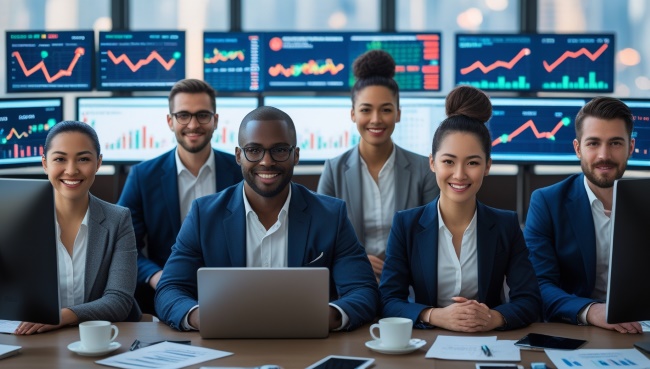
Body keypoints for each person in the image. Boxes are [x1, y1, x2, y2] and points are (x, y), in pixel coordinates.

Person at [155, 106, 379, 332]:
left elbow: (363, 290)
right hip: (224, 346)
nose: (267, 161)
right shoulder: (204, 215)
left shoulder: (331, 215)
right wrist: (201, 317)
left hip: (306, 347)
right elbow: (169, 289)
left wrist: (328, 315)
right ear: (239, 155)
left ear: (296, 155)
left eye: (280, 150)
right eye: (254, 150)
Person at [380, 86, 541, 332]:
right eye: (448, 161)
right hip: (427, 344)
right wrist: (435, 315)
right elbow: (388, 300)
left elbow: (529, 300)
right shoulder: (406, 224)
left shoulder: (505, 225)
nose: (459, 174)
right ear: (432, 163)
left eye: (473, 162)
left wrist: (491, 317)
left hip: (488, 342)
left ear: (487, 165)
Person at [117, 79, 242, 314]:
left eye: (203, 115)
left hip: (235, 292)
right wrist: (156, 277)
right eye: (183, 115)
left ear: (215, 121)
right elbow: (122, 246)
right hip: (167, 294)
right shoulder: (142, 177)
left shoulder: (240, 172)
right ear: (170, 121)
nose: (193, 124)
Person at [524, 97, 643, 334]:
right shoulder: (547, 202)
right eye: (593, 143)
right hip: (577, 326)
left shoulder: (645, 201)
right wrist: (592, 310)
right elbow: (539, 284)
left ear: (630, 147)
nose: (603, 155)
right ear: (578, 148)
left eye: (615, 143)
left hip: (640, 327)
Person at [318, 50, 438, 280]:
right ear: (353, 114)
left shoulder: (424, 169)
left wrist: (396, 265)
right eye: (366, 110)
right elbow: (323, 239)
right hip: (353, 279)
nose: (376, 119)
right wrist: (359, 258)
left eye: (386, 109)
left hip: (409, 280)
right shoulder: (334, 170)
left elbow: (431, 236)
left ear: (398, 114)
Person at [15, 121, 140, 335]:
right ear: (45, 164)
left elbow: (119, 300)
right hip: (32, 340)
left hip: (94, 340)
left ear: (98, 163)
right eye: (60, 159)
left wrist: (63, 317)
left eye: (83, 159)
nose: (71, 170)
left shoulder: (118, 220)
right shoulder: (18, 218)